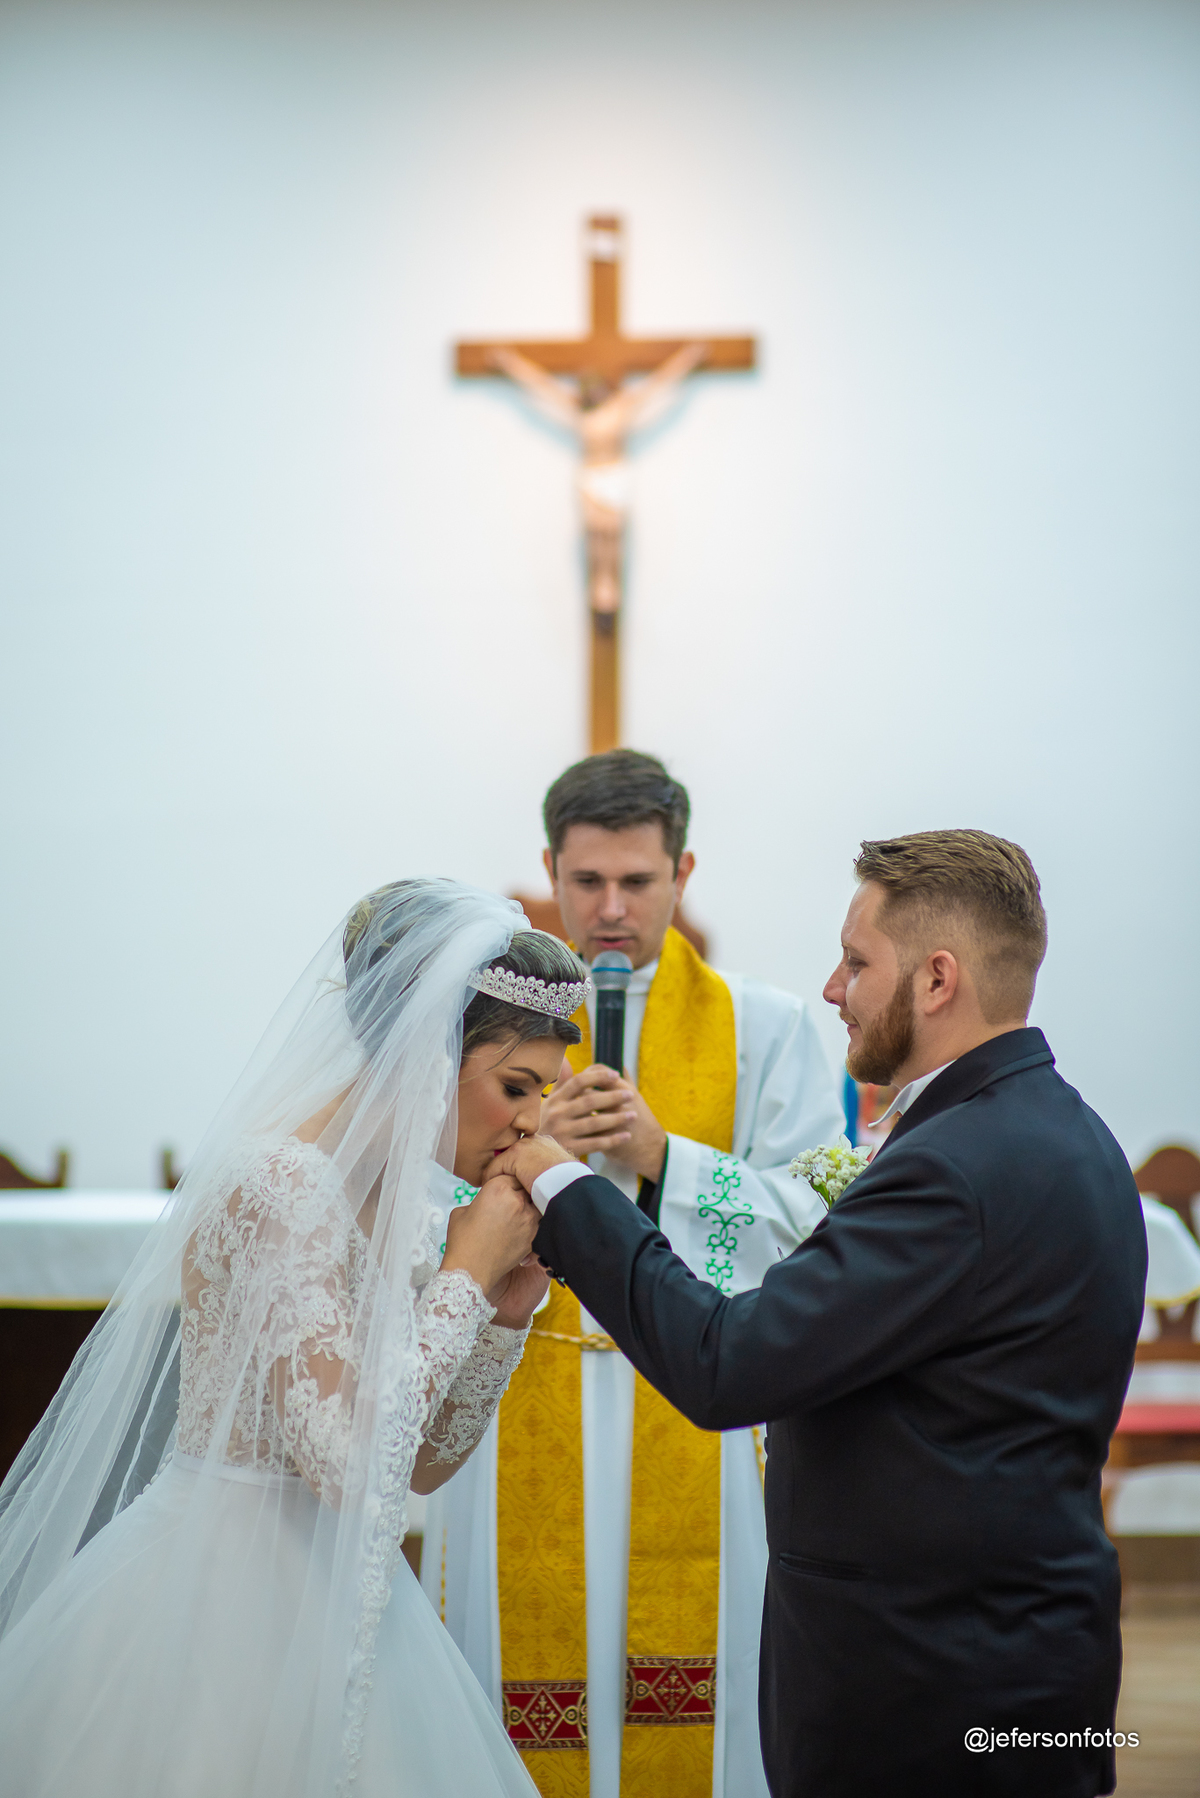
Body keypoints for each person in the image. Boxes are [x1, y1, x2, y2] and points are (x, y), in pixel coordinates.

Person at [496, 831, 1148, 1798]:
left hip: (930, 1690)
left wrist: (565, 1190)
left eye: (856, 961)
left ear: (937, 979)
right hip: (1024, 1655)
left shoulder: (951, 1169)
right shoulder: (1070, 1133)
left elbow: (726, 1364)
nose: (834, 989)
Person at [0, 880, 587, 1798]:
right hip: (221, 1598)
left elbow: (417, 1467)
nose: (530, 1122)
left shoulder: (402, 1200)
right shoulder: (283, 1182)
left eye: (543, 1094)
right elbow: (347, 1461)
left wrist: (501, 1320)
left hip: (344, 1587)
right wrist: (466, 1278)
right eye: (515, 1087)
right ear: (427, 1052)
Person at [421, 751, 843, 1798]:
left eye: (638, 881)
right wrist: (524, 1151)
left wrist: (668, 1159)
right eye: (587, 880)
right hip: (519, 1386)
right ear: (550, 871)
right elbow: (418, 1207)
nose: (610, 909)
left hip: (691, 1394)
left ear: (682, 872)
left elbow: (816, 1228)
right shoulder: (477, 1026)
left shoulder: (767, 1025)